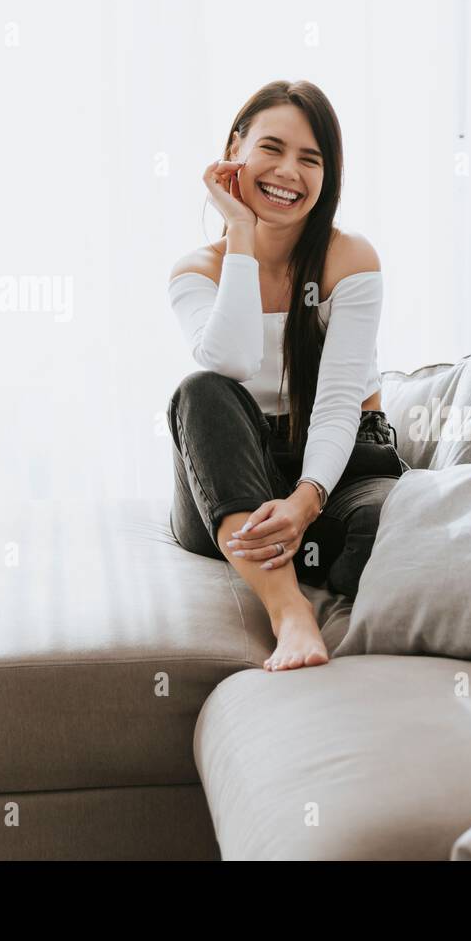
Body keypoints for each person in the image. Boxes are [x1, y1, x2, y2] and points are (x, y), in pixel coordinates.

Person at [166, 80, 404, 672]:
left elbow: (339, 402)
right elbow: (233, 363)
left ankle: (292, 547)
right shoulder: (196, 271)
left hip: (340, 465)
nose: (288, 172)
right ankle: (288, 607)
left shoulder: (351, 259)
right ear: (234, 151)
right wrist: (241, 236)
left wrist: (304, 501)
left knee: (388, 529)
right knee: (200, 390)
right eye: (271, 149)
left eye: (310, 159)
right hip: (233, 473)